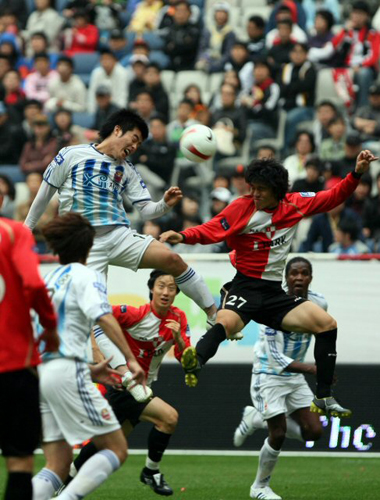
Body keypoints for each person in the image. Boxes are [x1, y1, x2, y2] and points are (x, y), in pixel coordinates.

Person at [160, 151, 378, 416]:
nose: (255, 194)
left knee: (327, 325)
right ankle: (195, 362)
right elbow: (212, 229)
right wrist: (182, 236)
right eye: (253, 188)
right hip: (245, 286)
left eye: (261, 189)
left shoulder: (295, 203)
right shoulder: (241, 207)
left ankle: (323, 397)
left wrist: (356, 173)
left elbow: (332, 197)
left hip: (275, 293)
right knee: (225, 324)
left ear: (277, 190)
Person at [24, 109, 217, 327]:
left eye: (139, 145)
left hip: (119, 236)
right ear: (117, 130)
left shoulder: (127, 170)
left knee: (172, 259)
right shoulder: (71, 155)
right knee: (93, 311)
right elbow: (44, 194)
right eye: (134, 139)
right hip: (84, 244)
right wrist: (25, 230)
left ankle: (213, 314)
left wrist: (164, 204)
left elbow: (146, 210)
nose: (135, 147)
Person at [32, 212, 145, 500]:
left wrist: (88, 370)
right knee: (116, 449)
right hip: (65, 373)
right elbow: (103, 316)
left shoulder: (48, 279)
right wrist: (130, 359)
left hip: (42, 374)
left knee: (57, 465)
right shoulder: (87, 275)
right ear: (89, 246)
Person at [64, 270, 191, 496]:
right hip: (126, 386)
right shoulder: (135, 314)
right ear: (151, 288)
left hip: (142, 386)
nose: (166, 292)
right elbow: (97, 317)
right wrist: (95, 349)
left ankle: (69, 474)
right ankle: (151, 472)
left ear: (177, 293)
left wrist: (179, 339)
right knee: (169, 418)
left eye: (171, 288)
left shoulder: (179, 318)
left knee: (108, 442)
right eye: (161, 286)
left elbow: (185, 358)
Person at [233, 257, 323, 500]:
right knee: (279, 433)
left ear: (310, 279)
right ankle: (259, 487)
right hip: (268, 375)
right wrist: (312, 368)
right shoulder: (273, 304)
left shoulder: (319, 303)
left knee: (314, 431)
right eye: (294, 273)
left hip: (294, 377)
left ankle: (255, 418)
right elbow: (274, 357)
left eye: (304, 273)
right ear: (286, 278)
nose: (299, 278)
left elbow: (323, 333)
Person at [0, 191, 58, 500]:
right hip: (13, 366)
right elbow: (34, 284)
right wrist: (50, 327)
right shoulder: (13, 234)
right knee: (20, 461)